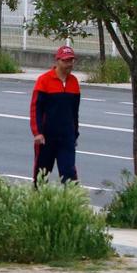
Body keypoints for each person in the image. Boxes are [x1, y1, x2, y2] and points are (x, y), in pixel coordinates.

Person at [30, 45, 81, 185]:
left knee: (69, 173)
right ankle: (38, 200)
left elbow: (74, 112)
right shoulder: (44, 80)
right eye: (65, 61)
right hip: (46, 137)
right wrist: (38, 133)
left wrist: (75, 134)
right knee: (42, 173)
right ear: (57, 60)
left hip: (66, 137)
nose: (69, 64)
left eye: (71, 60)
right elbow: (36, 108)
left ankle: (70, 203)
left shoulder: (74, 82)